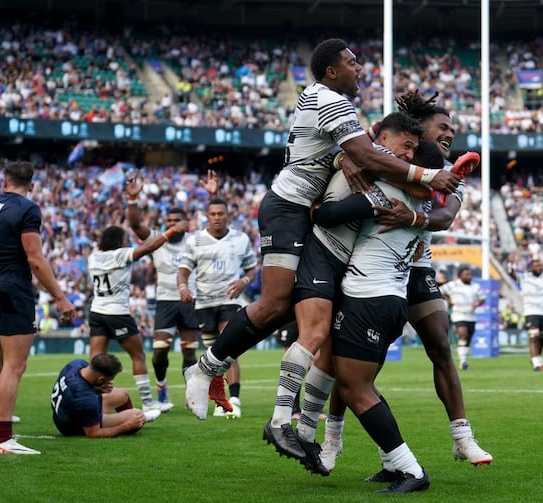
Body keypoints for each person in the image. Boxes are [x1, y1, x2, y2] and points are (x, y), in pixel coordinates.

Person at [184, 38, 460, 421]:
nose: (359, 67)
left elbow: (358, 153)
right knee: (277, 304)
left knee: (307, 320)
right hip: (290, 206)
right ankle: (208, 369)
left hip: (317, 220)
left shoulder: (330, 103)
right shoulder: (330, 100)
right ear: (332, 71)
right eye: (351, 62)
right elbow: (367, 154)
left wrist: (346, 155)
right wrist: (426, 174)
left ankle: (303, 424)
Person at [314, 91, 492, 476]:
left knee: (439, 343)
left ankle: (462, 436)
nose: (450, 135)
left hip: (415, 265)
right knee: (354, 366)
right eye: (443, 127)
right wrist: (344, 158)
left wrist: (413, 219)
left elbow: (445, 216)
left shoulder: (444, 171)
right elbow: (348, 150)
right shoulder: (392, 153)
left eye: (453, 130)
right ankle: (335, 440)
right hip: (371, 267)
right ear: (418, 130)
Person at [266, 112, 426, 467]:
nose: (410, 157)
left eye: (416, 152)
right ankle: (303, 430)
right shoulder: (406, 195)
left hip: (364, 290)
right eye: (407, 146)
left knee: (349, 378)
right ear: (382, 139)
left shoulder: (386, 189)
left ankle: (402, 465)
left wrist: (322, 207)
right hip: (355, 282)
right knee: (326, 352)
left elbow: (326, 215)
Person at [323, 142, 433, 493]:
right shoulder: (423, 204)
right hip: (390, 299)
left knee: (355, 388)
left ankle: (411, 470)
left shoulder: (386, 192)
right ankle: (391, 463)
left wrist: (314, 207)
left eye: (405, 160)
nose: (396, 161)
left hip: (369, 298)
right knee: (356, 383)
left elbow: (327, 216)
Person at [0, 161, 74, 455]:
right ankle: (3, 438)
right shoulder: (27, 209)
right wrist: (60, 297)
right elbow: (35, 259)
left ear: (4, 180)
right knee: (14, 365)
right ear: (31, 184)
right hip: (13, 288)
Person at [125, 173, 217, 409]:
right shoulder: (157, 239)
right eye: (169, 220)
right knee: (159, 351)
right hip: (165, 301)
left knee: (189, 354)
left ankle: (190, 394)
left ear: (186, 223)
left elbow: (216, 225)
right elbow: (135, 224)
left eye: (177, 220)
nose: (172, 223)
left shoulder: (195, 240)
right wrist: (133, 200)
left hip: (189, 301)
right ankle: (162, 385)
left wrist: (213, 195)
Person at [87, 217, 188, 414]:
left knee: (96, 360)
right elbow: (148, 247)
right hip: (117, 312)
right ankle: (149, 403)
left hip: (96, 311)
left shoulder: (93, 257)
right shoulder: (121, 254)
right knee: (138, 355)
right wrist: (170, 231)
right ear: (119, 241)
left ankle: (92, 402)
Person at [177, 197, 257, 419]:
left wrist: (243, 282)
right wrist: (183, 286)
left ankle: (234, 399)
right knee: (213, 354)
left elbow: (252, 269)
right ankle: (219, 401)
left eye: (221, 214)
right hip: (203, 303)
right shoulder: (195, 241)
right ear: (207, 216)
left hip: (229, 301)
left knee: (228, 347)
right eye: (213, 214)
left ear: (227, 215)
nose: (217, 218)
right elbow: (183, 270)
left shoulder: (240, 239)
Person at [51, 353, 159, 437]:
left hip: (67, 412)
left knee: (122, 394)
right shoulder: (85, 399)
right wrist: (126, 426)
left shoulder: (76, 364)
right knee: (137, 416)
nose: (110, 382)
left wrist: (97, 388)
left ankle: (127, 415)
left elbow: (78, 388)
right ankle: (134, 417)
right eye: (109, 379)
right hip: (73, 426)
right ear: (100, 379)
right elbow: (93, 433)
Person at [440, 266, 486, 371]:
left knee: (467, 338)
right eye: (467, 274)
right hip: (458, 314)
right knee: (463, 334)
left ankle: (464, 360)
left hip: (471, 315)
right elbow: (440, 291)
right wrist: (449, 300)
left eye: (470, 274)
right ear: (460, 275)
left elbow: (483, 298)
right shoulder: (453, 285)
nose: (469, 276)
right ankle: (463, 361)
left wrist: (478, 303)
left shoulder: (475, 286)